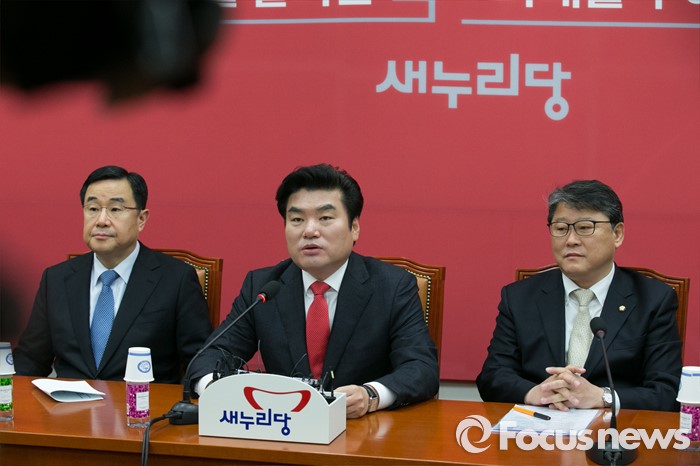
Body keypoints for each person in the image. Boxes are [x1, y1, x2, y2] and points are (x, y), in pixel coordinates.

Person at [189, 163, 439, 418]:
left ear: (354, 227)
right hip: (282, 425)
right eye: (297, 220)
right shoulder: (264, 286)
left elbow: (421, 367)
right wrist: (217, 391)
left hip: (362, 428)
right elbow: (209, 356)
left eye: (325, 218)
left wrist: (370, 395)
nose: (309, 231)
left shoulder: (392, 286)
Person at [476, 180, 682, 412]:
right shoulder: (519, 298)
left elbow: (667, 392)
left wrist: (603, 397)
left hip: (617, 429)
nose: (571, 240)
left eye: (585, 227)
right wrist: (535, 393)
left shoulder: (653, 300)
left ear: (617, 234)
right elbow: (492, 376)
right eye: (561, 228)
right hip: (538, 425)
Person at [14, 166, 212, 383]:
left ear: (141, 219)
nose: (101, 220)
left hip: (143, 402)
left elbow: (199, 359)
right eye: (92, 208)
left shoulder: (176, 279)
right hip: (67, 403)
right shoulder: (56, 279)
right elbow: (30, 360)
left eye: (115, 209)